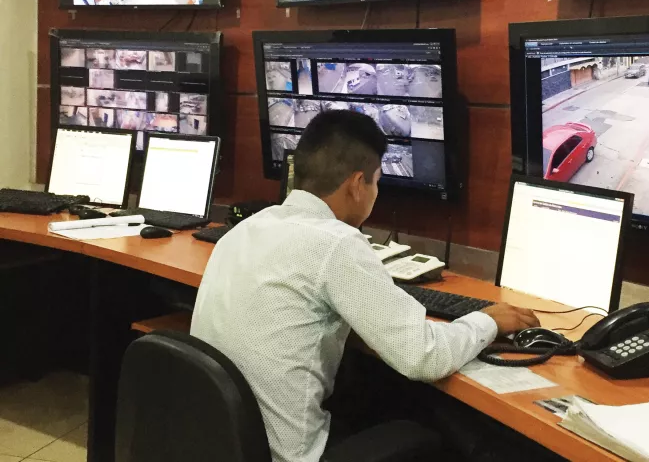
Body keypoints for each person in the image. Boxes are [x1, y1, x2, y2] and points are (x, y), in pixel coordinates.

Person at [191, 110, 540, 462]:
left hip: (222, 445)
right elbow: (423, 357)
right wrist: (489, 319)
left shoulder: (244, 231)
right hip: (287, 455)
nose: (376, 193)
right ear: (357, 185)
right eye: (376, 182)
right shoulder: (336, 243)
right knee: (429, 433)